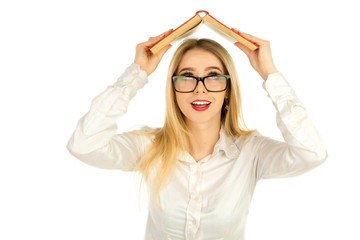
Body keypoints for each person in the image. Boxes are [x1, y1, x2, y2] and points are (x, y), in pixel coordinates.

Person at [67, 29, 327, 240]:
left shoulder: (252, 152)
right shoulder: (149, 147)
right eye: (187, 77)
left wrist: (270, 74)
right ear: (174, 89)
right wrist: (137, 73)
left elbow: (312, 153)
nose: (199, 89)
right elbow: (83, 144)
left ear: (228, 89)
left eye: (213, 77)